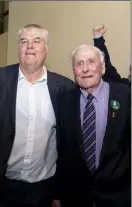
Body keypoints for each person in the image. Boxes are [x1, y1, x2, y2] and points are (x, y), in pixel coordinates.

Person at [0, 24, 75, 207]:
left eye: (36, 41)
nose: (29, 46)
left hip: (43, 189)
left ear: (46, 49)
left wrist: (59, 191)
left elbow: (68, 144)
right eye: (24, 41)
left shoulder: (64, 88)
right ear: (18, 48)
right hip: (1, 185)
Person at [55, 44, 130, 207]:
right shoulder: (64, 101)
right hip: (76, 197)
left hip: (118, 195)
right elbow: (61, 151)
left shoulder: (124, 95)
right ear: (74, 70)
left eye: (91, 62)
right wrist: (58, 194)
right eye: (79, 64)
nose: (85, 69)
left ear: (102, 68)